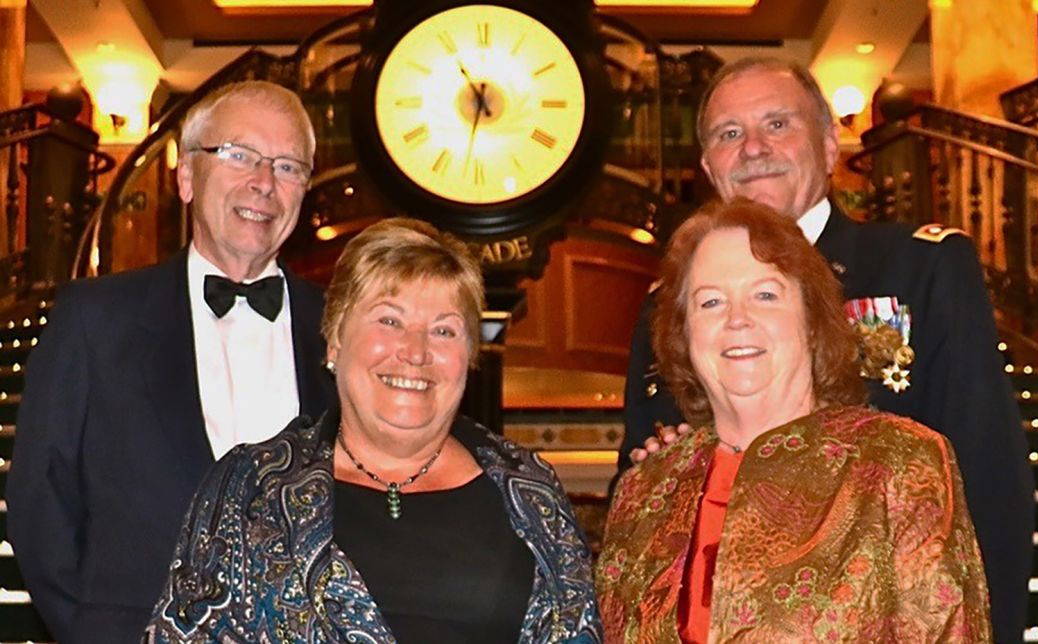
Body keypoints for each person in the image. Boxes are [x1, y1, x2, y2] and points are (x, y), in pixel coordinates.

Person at [619, 57, 1033, 642]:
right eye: (729, 134)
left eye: (777, 124)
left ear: (829, 144)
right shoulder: (671, 301)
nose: (753, 148)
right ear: (709, 166)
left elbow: (990, 484)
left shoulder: (922, 266)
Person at [144, 218, 602, 642]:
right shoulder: (251, 488)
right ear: (336, 338)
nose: (416, 352)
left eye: (444, 331)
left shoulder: (531, 491)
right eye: (390, 320)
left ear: (469, 356)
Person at [6, 81, 334, 643]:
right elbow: (39, 501)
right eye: (239, 155)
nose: (263, 183)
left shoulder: (344, 329)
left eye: (287, 166)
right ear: (185, 176)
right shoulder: (93, 320)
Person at [599, 198, 991, 642]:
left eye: (765, 294)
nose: (737, 320)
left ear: (810, 319)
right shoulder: (643, 492)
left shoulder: (897, 464)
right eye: (710, 303)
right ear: (683, 333)